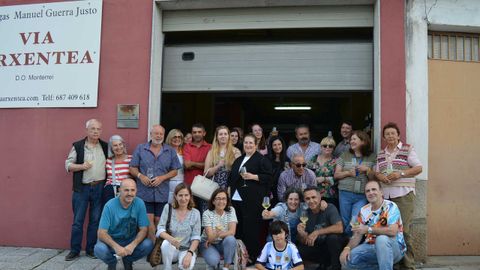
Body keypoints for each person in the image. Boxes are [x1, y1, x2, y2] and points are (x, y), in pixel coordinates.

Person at [374, 122, 422, 270]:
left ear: (398, 135)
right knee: (388, 229)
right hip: (386, 198)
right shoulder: (381, 153)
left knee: (404, 230)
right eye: (387, 134)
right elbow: (376, 171)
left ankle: (408, 265)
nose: (390, 136)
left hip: (403, 195)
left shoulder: (407, 150)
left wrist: (400, 174)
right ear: (384, 137)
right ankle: (394, 262)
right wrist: (380, 177)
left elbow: (418, 168)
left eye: (393, 133)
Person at [64, 119, 108, 260]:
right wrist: (81, 166)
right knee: (78, 221)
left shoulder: (105, 146)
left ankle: (91, 249)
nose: (96, 131)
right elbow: (68, 165)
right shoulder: (78, 146)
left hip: (99, 187)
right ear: (87, 130)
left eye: (98, 129)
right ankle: (74, 250)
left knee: (95, 220)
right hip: (82, 188)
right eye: (93, 129)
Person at [129, 124, 181, 242]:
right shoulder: (141, 148)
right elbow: (132, 167)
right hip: (144, 192)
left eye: (161, 134)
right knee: (148, 221)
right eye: (156, 133)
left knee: (159, 221)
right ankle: (152, 250)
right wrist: (140, 176)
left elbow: (175, 171)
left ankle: (158, 247)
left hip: (161, 192)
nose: (158, 136)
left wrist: (162, 178)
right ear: (151, 134)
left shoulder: (170, 150)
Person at [340, 180, 405, 270]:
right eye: (368, 191)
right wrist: (347, 248)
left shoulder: (391, 206)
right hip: (371, 247)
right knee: (348, 260)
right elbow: (357, 234)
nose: (371, 193)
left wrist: (368, 229)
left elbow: (393, 231)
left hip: (393, 248)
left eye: (374, 189)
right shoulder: (362, 210)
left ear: (381, 192)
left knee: (381, 240)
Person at [228, 133, 273, 264]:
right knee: (239, 227)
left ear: (256, 145)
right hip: (236, 199)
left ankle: (252, 256)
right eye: (246, 143)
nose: (248, 145)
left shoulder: (262, 160)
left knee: (251, 229)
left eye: (250, 143)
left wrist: (253, 177)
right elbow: (232, 179)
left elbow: (269, 178)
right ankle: (239, 256)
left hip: (253, 200)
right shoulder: (238, 160)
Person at [94, 179, 154, 270]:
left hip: (130, 241)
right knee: (99, 249)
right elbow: (101, 233)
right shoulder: (109, 206)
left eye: (132, 190)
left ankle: (128, 260)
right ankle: (112, 262)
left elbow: (144, 229)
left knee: (148, 244)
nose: (130, 193)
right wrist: (116, 247)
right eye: (126, 190)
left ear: (136, 191)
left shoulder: (139, 203)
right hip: (112, 242)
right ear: (119, 191)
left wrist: (133, 245)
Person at [334, 130, 376, 236]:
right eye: (351, 139)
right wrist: (348, 173)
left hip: (362, 195)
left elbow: (374, 177)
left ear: (363, 141)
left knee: (355, 220)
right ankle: (347, 244)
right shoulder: (344, 155)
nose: (351, 141)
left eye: (354, 139)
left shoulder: (372, 156)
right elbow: (336, 175)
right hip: (345, 193)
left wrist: (367, 170)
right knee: (345, 220)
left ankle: (349, 242)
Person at [297, 187, 344, 270]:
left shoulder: (329, 207)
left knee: (333, 238)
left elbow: (340, 228)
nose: (311, 201)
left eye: (313, 197)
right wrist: (302, 235)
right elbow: (305, 241)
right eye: (307, 198)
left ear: (319, 197)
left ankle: (336, 267)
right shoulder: (305, 214)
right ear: (304, 200)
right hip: (319, 247)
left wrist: (317, 232)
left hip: (333, 246)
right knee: (298, 249)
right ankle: (324, 265)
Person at [157, 183, 201, 270]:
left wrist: (189, 254)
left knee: (186, 267)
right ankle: (167, 268)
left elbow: (196, 237)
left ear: (190, 196)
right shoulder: (168, 208)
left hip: (187, 249)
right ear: (175, 196)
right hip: (171, 249)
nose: (183, 199)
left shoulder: (195, 213)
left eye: (186, 195)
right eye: (180, 195)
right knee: (166, 244)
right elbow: (160, 229)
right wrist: (171, 239)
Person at [200, 188, 238, 270]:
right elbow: (209, 237)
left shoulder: (231, 210)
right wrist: (211, 238)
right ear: (213, 201)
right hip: (208, 244)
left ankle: (225, 267)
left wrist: (216, 235)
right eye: (218, 199)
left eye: (224, 199)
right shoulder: (207, 214)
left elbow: (232, 232)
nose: (221, 201)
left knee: (231, 239)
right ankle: (213, 262)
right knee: (213, 261)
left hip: (222, 243)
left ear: (227, 201)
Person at [183, 123, 211, 211]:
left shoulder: (210, 147)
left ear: (204, 133)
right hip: (189, 186)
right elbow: (187, 165)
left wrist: (193, 163)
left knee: (204, 213)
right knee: (190, 212)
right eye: (194, 132)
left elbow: (209, 166)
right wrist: (203, 164)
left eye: (199, 132)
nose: (197, 134)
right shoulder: (187, 146)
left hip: (204, 187)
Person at [103, 135, 132, 206]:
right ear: (111, 148)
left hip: (126, 189)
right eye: (115, 145)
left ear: (123, 145)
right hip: (110, 190)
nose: (118, 147)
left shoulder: (131, 159)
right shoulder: (108, 160)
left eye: (120, 144)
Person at [310, 136, 338, 209]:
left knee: (328, 216)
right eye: (325, 145)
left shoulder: (336, 161)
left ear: (333, 148)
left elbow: (338, 178)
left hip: (329, 194)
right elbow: (306, 173)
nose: (327, 147)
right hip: (314, 193)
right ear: (321, 147)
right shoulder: (314, 158)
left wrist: (324, 179)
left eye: (330, 146)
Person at [267, 136, 290, 205]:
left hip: (282, 191)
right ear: (271, 146)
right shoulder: (266, 159)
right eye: (274, 145)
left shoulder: (287, 160)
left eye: (279, 144)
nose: (277, 147)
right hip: (270, 192)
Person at [166, 129, 185, 203]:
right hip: (169, 182)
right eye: (174, 137)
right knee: (170, 206)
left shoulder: (185, 151)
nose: (177, 139)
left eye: (179, 137)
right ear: (170, 138)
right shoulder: (165, 151)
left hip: (183, 181)